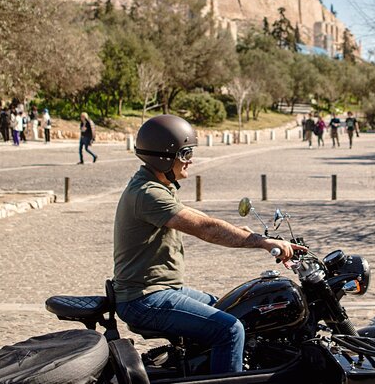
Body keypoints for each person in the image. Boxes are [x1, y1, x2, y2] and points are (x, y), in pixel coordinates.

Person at [113, 114, 297, 375]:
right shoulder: (148, 194)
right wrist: (261, 242)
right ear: (164, 157)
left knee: (230, 307)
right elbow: (206, 229)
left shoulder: (157, 184)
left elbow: (199, 218)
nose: (190, 159)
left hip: (163, 289)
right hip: (144, 299)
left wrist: (246, 232)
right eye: (185, 152)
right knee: (230, 329)